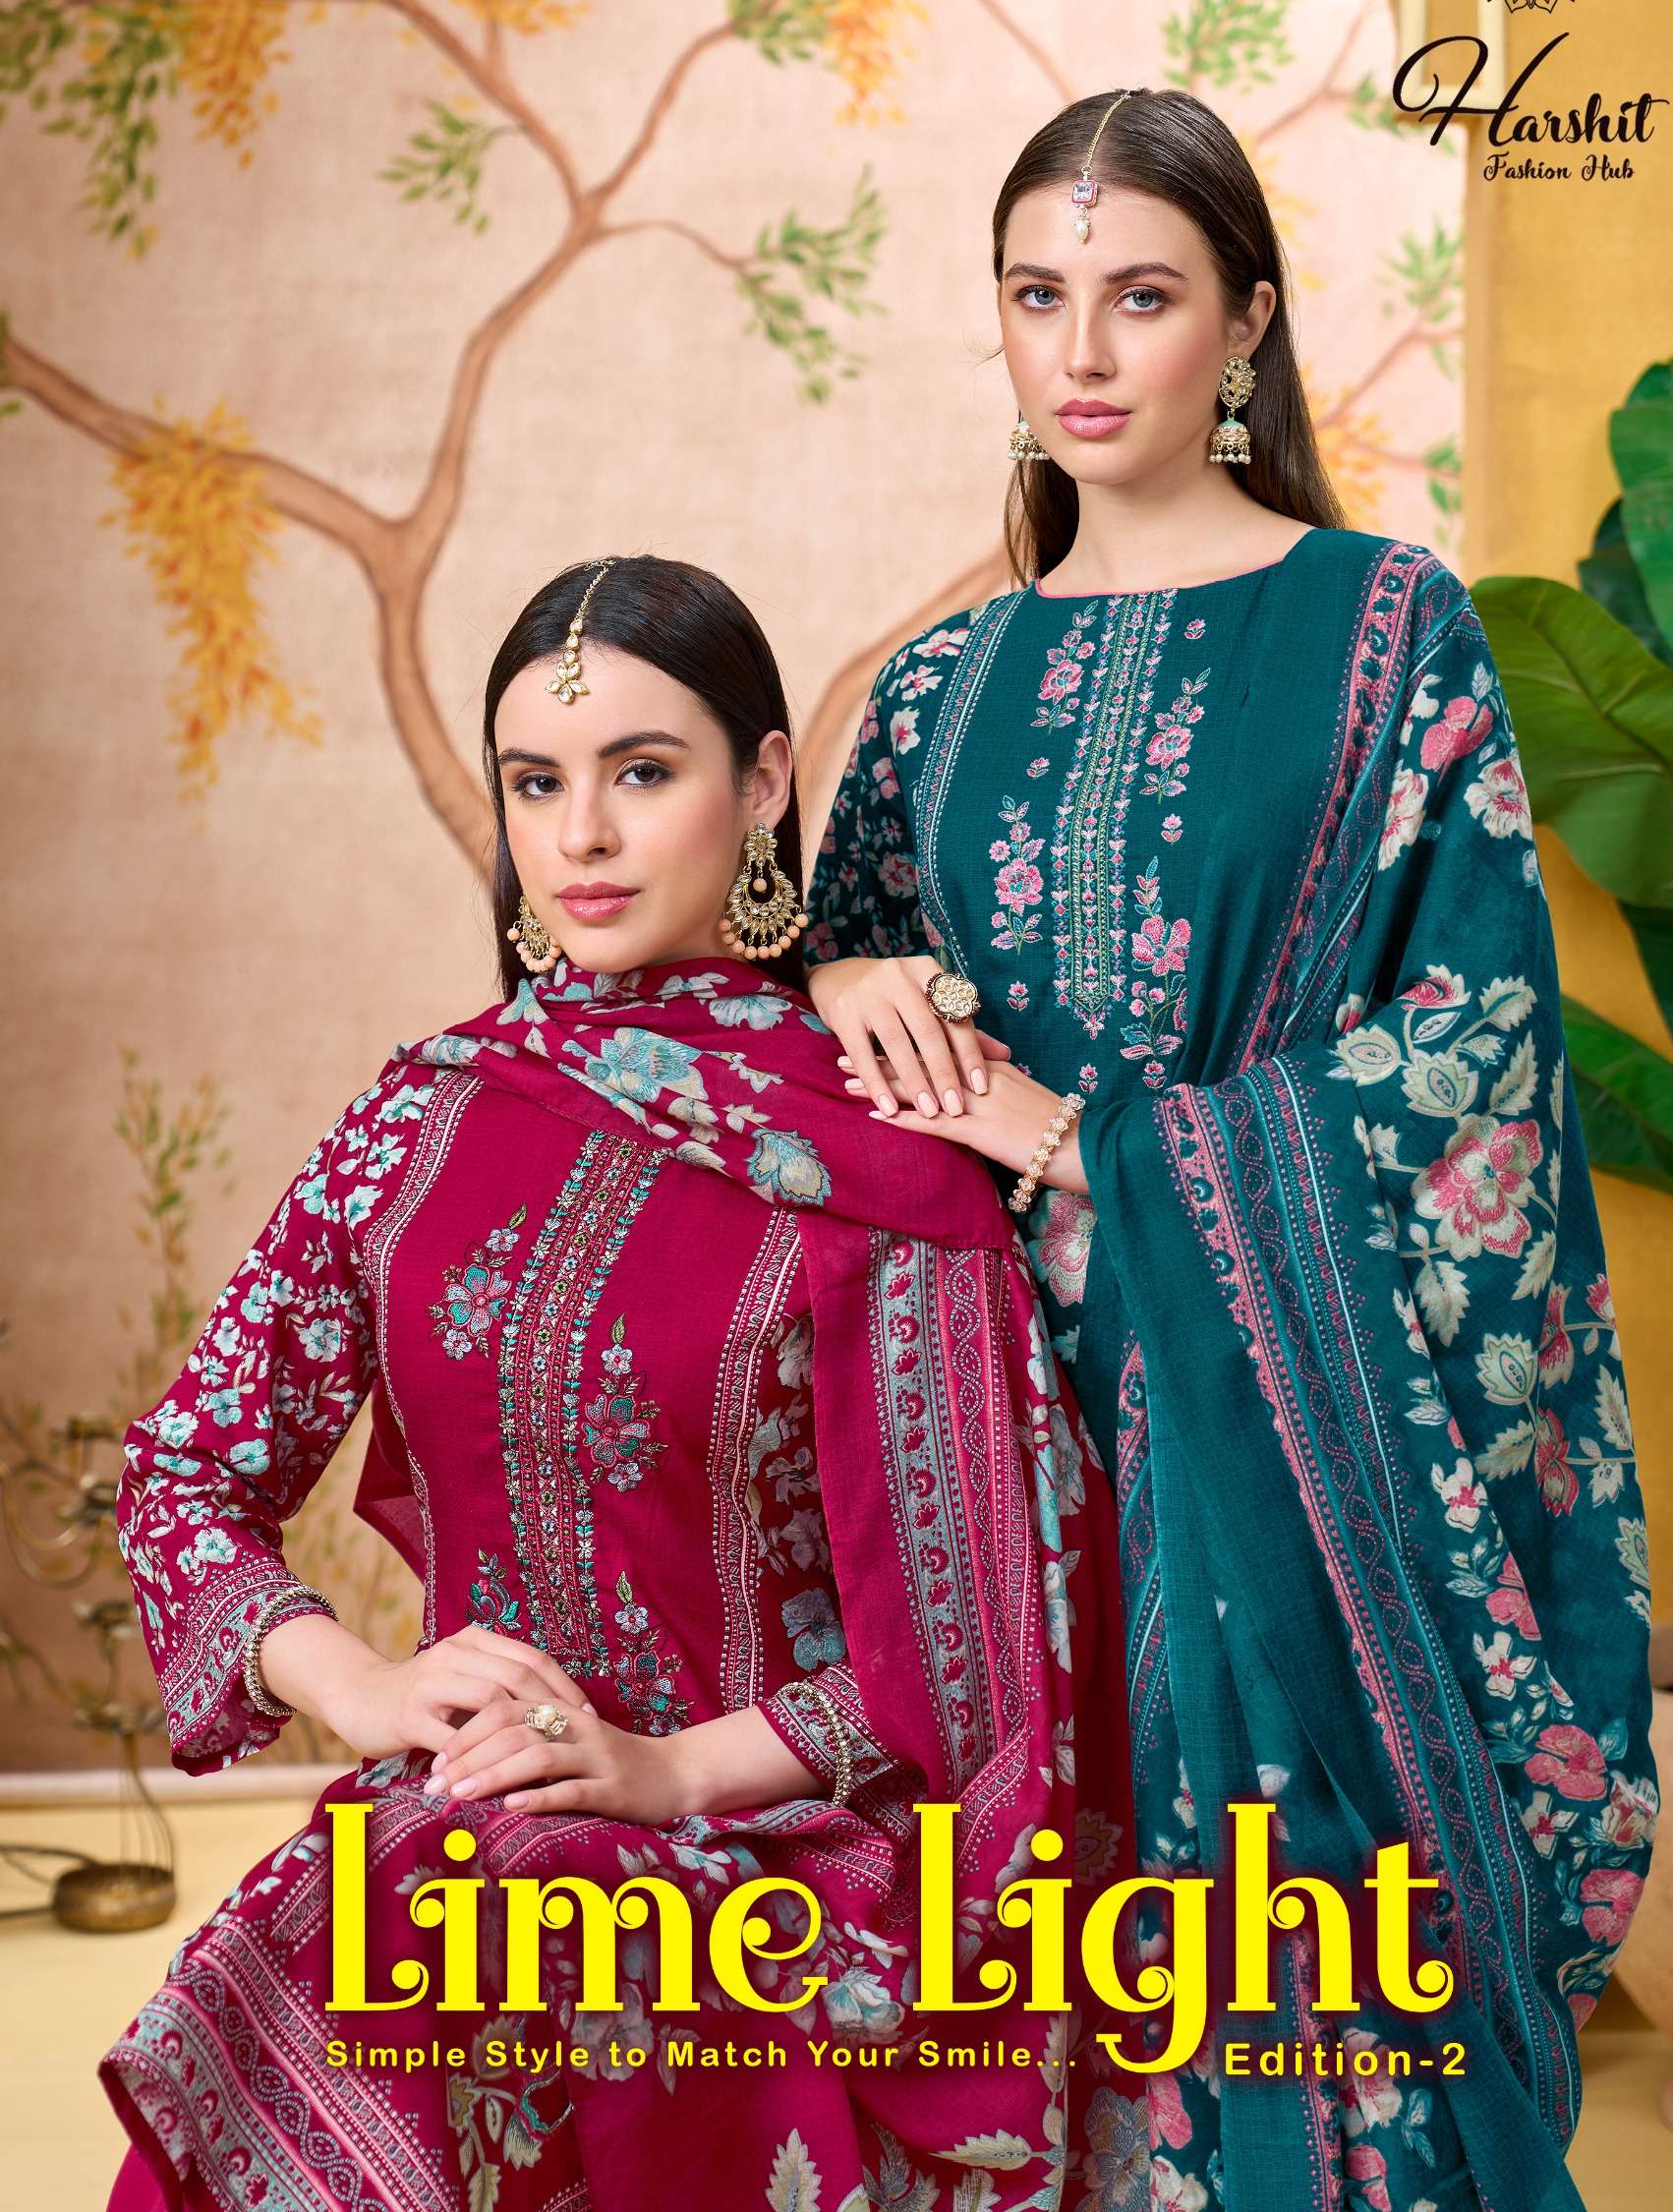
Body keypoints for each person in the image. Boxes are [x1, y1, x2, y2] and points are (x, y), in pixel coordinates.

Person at [802, 87, 1659, 2212]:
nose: (1083, 350)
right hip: (1003, 1435)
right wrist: (835, 974)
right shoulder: (933, 690)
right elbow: (818, 1019)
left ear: (1248, 325)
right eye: (1038, 296)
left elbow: (1475, 1054)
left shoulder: (1384, 622)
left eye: (1143, 295)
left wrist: (1098, 1148)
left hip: (1287, 1419)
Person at [98, 554, 1142, 2212]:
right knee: (427, 1894)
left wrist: (666, 1775)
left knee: (502, 1917)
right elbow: (184, 1475)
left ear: (764, 783)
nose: (580, 835)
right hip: (475, 1828)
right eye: (537, 783)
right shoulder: (424, 1118)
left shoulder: (882, 1155)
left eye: (641, 774)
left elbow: (963, 1658)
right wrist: (362, 1690)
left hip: (796, 1866)